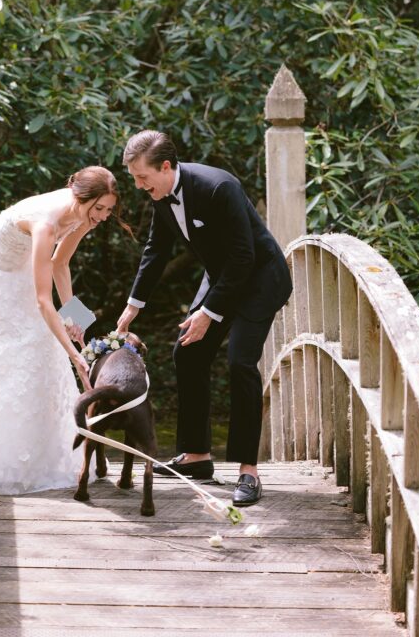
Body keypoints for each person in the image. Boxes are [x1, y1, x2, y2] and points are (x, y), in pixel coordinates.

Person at [117, 131, 292, 506]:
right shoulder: (160, 194)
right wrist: (134, 307)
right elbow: (156, 251)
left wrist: (208, 313)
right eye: (134, 177)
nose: (138, 185)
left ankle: (248, 470)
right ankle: (197, 456)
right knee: (188, 352)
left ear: (166, 167)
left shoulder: (218, 187)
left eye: (142, 177)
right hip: (222, 277)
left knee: (240, 361)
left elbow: (244, 258)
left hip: (261, 278)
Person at [0, 166, 122, 495]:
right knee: (11, 354)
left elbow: (60, 264)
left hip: (23, 268)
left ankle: (31, 458)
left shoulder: (81, 215)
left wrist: (73, 317)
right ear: (79, 197)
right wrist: (74, 354)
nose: (102, 217)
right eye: (98, 209)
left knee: (39, 347)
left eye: (108, 210)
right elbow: (45, 301)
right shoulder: (45, 222)